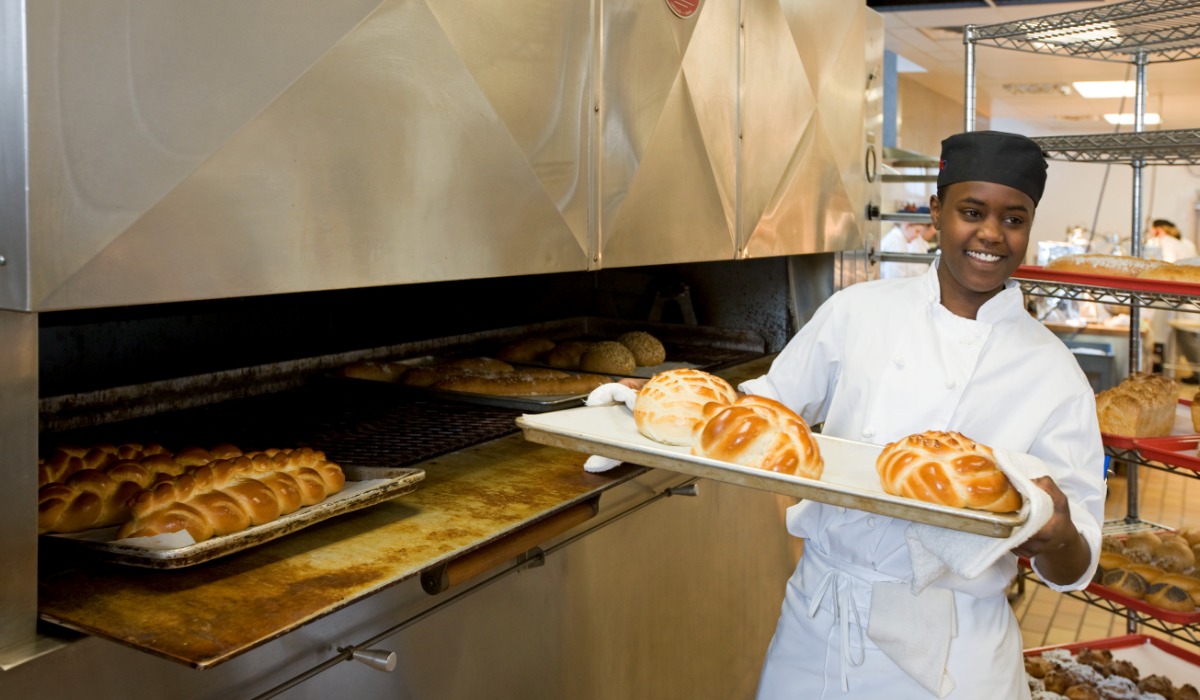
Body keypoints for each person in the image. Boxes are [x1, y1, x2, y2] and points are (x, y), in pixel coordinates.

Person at [743, 131, 1106, 698]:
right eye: (970, 211)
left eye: (1014, 218)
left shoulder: (1054, 373)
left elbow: (1074, 565)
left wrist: (1057, 535)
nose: (990, 233)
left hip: (956, 654)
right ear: (936, 212)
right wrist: (651, 404)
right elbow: (759, 412)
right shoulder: (856, 312)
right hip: (819, 626)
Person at [879, 206, 934, 279]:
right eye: (917, 231)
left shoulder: (899, 240)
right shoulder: (896, 242)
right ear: (907, 226)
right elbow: (894, 278)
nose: (917, 236)